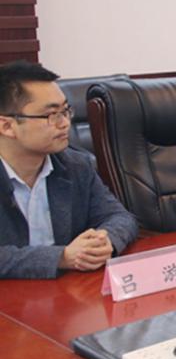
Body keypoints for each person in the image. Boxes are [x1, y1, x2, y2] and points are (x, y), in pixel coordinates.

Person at [0, 61, 138, 278]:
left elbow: (120, 217)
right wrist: (61, 257)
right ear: (7, 126)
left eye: (65, 111)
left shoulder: (76, 166)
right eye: (51, 115)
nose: (64, 123)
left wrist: (104, 241)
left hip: (68, 290)